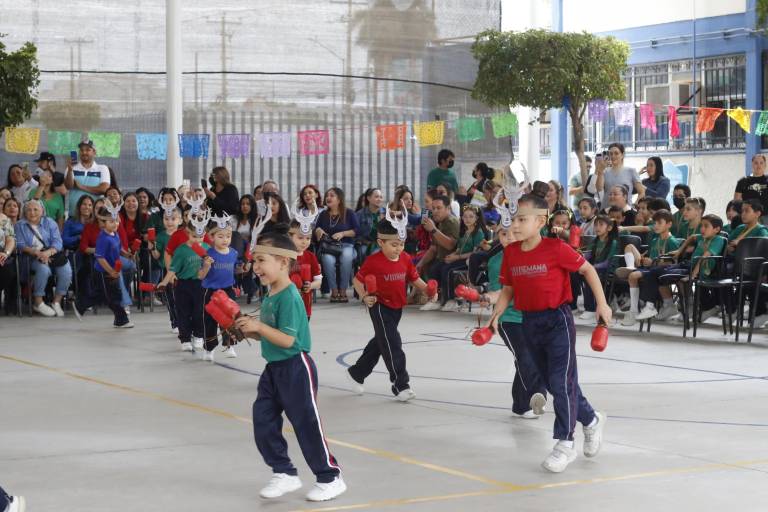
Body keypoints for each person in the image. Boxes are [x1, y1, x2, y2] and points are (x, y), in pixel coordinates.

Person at [490, 193, 608, 473]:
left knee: (560, 382)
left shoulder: (556, 248)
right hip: (529, 323)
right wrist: (497, 314)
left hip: (557, 322)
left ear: (540, 221)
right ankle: (591, 420)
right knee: (557, 384)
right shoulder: (511, 253)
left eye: (522, 219)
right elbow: (508, 288)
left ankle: (565, 443)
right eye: (514, 219)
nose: (515, 225)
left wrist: (602, 304)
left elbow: (588, 270)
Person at [234, 231, 346, 502]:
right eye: (254, 261)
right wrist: (249, 331)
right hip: (273, 369)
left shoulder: (290, 296)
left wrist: (259, 326)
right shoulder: (271, 294)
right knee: (263, 419)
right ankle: (284, 472)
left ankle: (330, 477)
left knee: (306, 424)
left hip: (296, 368)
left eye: (261, 260)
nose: (255, 267)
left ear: (283, 262)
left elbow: (287, 340)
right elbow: (270, 335)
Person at [346, 218, 434, 401]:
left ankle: (356, 373)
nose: (398, 248)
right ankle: (400, 385)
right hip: (379, 306)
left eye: (401, 244)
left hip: (397, 307)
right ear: (381, 242)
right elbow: (357, 280)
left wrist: (428, 290)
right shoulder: (373, 261)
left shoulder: (406, 258)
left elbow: (414, 278)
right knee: (393, 344)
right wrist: (365, 296)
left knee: (381, 341)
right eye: (394, 245)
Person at [481, 222, 547, 419]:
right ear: (498, 236)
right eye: (503, 233)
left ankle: (521, 404)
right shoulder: (496, 262)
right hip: (510, 319)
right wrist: (488, 298)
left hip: (534, 316)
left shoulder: (534, 253)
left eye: (514, 232)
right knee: (525, 356)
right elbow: (500, 292)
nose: (509, 237)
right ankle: (536, 396)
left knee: (534, 358)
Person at [643, 215, 726, 323]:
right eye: (701, 226)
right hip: (687, 265)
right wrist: (679, 251)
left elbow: (704, 257)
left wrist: (693, 275)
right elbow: (692, 237)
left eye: (706, 226)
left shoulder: (718, 240)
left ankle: (686, 306)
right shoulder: (702, 237)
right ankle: (651, 306)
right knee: (655, 271)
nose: (702, 229)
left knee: (663, 275)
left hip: (698, 270)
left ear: (717, 229)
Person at [72, 206, 133, 328]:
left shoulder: (114, 234)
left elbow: (118, 247)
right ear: (103, 223)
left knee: (103, 294)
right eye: (111, 222)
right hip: (103, 272)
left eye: (116, 221)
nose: (115, 224)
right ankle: (122, 320)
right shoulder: (103, 239)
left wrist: (126, 254)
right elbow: (100, 258)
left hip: (112, 270)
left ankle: (80, 306)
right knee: (112, 297)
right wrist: (110, 271)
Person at [618, 209, 681, 326]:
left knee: (633, 276)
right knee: (630, 251)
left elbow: (673, 263)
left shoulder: (672, 241)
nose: (656, 226)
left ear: (669, 224)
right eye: (655, 223)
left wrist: (653, 262)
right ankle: (634, 310)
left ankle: (634, 311)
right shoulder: (655, 239)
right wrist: (645, 260)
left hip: (659, 271)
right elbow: (652, 259)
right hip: (651, 268)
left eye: (659, 223)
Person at [158, 213, 209, 352]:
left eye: (200, 237)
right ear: (188, 233)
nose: (197, 240)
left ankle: (198, 335)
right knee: (183, 312)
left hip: (200, 285)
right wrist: (164, 282)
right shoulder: (181, 250)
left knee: (199, 312)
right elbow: (173, 268)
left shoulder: (207, 248)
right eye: (194, 236)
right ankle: (185, 338)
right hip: (183, 285)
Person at [15, 200, 73, 317]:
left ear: (42, 211)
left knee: (66, 270)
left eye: (35, 209)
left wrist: (48, 253)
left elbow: (58, 242)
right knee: (43, 269)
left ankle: (56, 302)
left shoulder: (50, 222)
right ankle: (38, 302)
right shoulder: (20, 225)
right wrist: (37, 253)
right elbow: (20, 244)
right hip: (31, 257)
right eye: (29, 210)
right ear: (24, 212)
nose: (32, 212)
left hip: (51, 255)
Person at [200, 214, 239, 360]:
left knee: (229, 318)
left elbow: (235, 269)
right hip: (211, 291)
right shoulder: (208, 255)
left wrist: (243, 268)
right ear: (212, 237)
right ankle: (209, 348)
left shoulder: (234, 253)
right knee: (209, 321)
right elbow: (201, 276)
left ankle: (230, 344)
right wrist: (206, 266)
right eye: (220, 236)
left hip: (228, 290)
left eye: (228, 236)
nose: (225, 240)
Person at [437, 204, 489, 312]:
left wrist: (456, 257)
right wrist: (452, 255)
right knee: (438, 267)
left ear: (476, 218)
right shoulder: (464, 231)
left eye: (471, 216)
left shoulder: (478, 233)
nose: (467, 219)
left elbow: (475, 254)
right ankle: (440, 299)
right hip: (459, 258)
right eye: (465, 216)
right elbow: (459, 248)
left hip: (469, 261)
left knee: (448, 270)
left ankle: (451, 300)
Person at [314, 187, 359, 302]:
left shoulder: (349, 213)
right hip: (329, 247)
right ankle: (334, 291)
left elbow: (357, 231)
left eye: (332, 195)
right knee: (327, 260)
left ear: (339, 199)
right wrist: (318, 230)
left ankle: (343, 290)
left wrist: (343, 233)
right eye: (327, 195)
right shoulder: (323, 214)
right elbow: (316, 229)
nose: (328, 198)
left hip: (346, 245)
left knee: (346, 257)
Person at [416, 196, 459, 311]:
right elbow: (433, 248)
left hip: (455, 259)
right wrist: (420, 264)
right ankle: (436, 299)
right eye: (433, 208)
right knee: (431, 267)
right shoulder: (439, 223)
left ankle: (451, 300)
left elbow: (450, 245)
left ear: (448, 208)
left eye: (439, 208)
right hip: (442, 258)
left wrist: (433, 230)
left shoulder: (451, 221)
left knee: (443, 269)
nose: (435, 211)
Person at [578, 215, 619, 322]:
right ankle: (572, 305)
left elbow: (607, 263)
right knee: (575, 273)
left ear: (609, 228)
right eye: (596, 225)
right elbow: (587, 256)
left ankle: (590, 309)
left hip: (608, 270)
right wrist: (580, 262)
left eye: (601, 225)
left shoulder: (613, 242)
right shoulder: (595, 241)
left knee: (588, 275)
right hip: (596, 268)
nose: (597, 227)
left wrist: (591, 268)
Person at [151, 206, 182, 334]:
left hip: (182, 270)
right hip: (167, 270)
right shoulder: (161, 236)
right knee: (170, 297)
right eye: (166, 219)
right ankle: (175, 322)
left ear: (180, 220)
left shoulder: (184, 235)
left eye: (173, 219)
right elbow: (156, 256)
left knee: (181, 297)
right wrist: (152, 247)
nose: (170, 222)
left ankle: (183, 320)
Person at [64, 139, 111, 217]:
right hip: (74, 215)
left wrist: (81, 186)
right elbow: (68, 186)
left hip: (95, 217)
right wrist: (70, 170)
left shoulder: (102, 168)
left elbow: (104, 189)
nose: (84, 152)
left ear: (94, 152)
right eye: (81, 150)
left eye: (88, 150)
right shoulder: (71, 168)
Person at [289, 218, 322, 319]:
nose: (304, 242)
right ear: (290, 237)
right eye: (300, 238)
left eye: (308, 238)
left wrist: (310, 285)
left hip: (305, 306)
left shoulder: (311, 257)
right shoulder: (285, 256)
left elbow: (318, 281)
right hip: (287, 305)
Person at [734, 154, 768, 224]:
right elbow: (737, 201)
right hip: (749, 217)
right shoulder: (743, 181)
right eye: (756, 163)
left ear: (765, 165)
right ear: (752, 165)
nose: (758, 165)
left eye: (761, 163)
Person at [355, 188, 385, 259]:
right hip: (365, 243)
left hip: (382, 244)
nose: (379, 199)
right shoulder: (359, 214)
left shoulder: (386, 213)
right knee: (364, 252)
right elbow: (355, 233)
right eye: (376, 197)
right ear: (368, 198)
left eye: (381, 197)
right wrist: (363, 241)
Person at [0, 212, 17, 315]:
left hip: (1, 252)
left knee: (8, 270)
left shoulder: (5, 219)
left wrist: (5, 253)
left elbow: (10, 240)